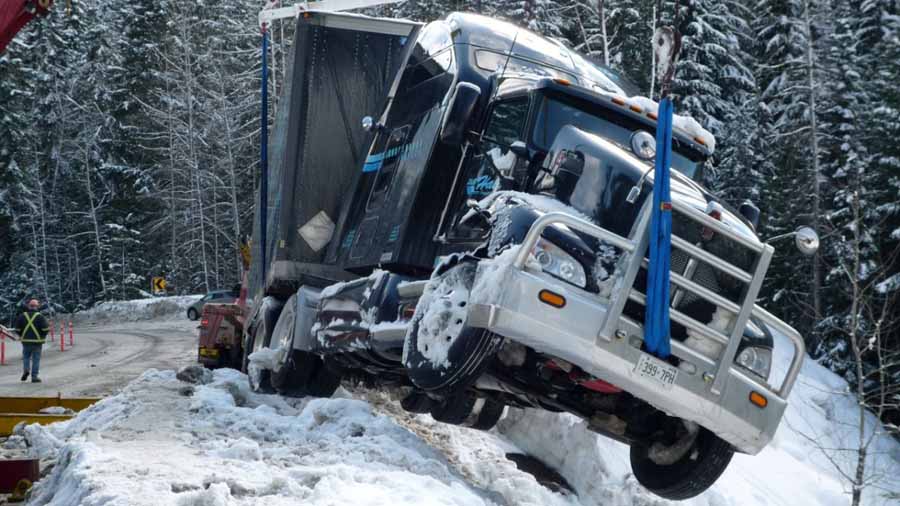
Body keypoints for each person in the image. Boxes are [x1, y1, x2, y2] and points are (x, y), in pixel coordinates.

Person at [13, 299, 49, 383]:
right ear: (37, 306)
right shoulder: (40, 316)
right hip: (37, 342)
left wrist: (21, 335)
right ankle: (34, 377)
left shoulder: (22, 316)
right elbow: (46, 329)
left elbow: (17, 329)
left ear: (29, 306)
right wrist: (42, 336)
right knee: (36, 359)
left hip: (26, 342)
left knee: (26, 357)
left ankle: (26, 370)